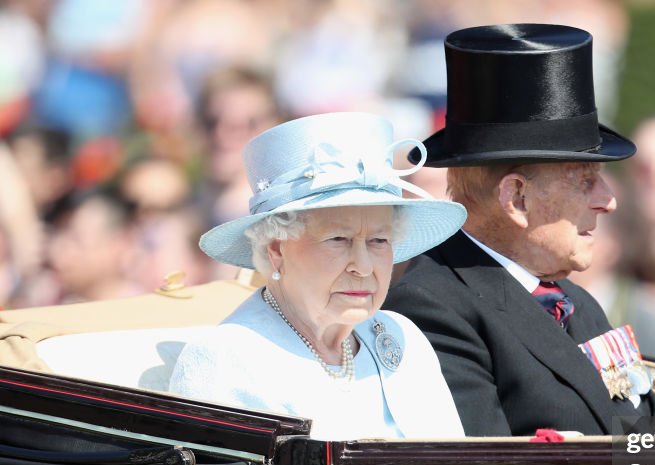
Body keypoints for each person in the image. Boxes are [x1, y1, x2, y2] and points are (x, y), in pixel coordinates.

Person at [386, 24, 655, 436]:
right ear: (516, 198)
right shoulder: (431, 308)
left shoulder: (576, 303)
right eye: (584, 179)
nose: (608, 200)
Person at [169, 112, 467, 440]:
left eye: (378, 240)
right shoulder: (226, 359)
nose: (364, 266)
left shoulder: (403, 335)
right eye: (338, 239)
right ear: (277, 249)